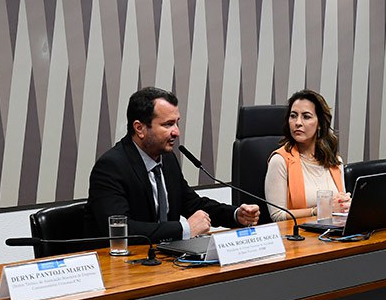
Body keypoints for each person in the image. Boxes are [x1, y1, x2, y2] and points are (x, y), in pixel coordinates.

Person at [86, 87, 260, 242]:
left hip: (166, 260)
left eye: (177, 123)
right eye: (168, 124)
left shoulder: (167, 159)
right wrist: (184, 229)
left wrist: (236, 215)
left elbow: (192, 204)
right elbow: (121, 230)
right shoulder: (111, 167)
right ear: (140, 128)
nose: (176, 132)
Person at [264, 89, 350, 222]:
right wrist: (319, 210)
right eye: (293, 116)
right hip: (298, 237)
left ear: (320, 124)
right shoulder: (280, 160)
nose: (297, 122)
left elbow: (339, 207)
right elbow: (278, 215)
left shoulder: (335, 161)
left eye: (306, 116)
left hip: (333, 235)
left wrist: (346, 205)